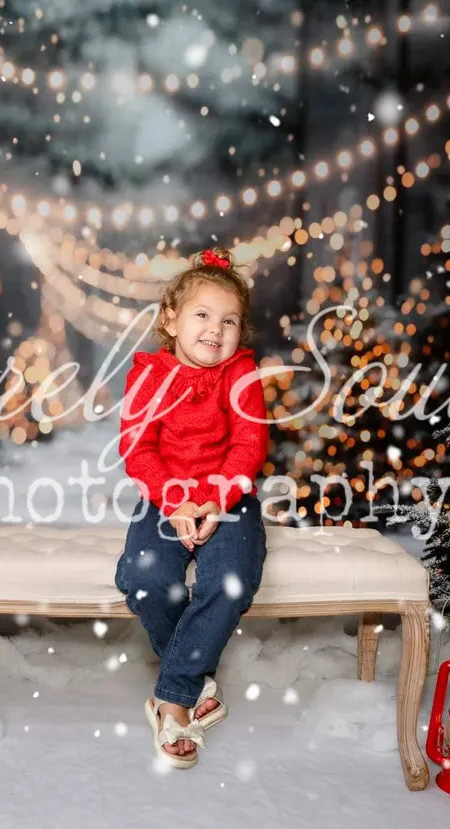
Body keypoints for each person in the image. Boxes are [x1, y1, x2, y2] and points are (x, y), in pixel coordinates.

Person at [114, 247, 269, 769]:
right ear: (170, 320)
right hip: (165, 496)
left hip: (231, 499)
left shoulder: (242, 374)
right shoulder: (149, 375)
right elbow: (138, 449)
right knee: (144, 577)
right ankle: (196, 682)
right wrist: (177, 501)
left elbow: (249, 445)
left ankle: (172, 699)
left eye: (229, 320)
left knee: (232, 580)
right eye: (202, 314)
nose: (215, 329)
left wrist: (216, 500)